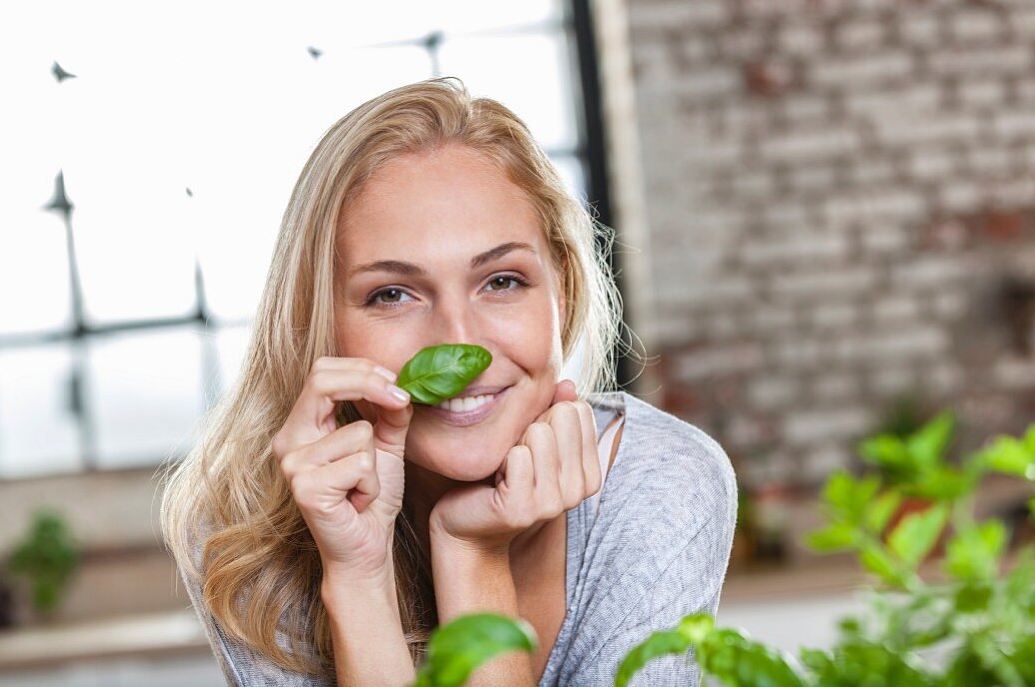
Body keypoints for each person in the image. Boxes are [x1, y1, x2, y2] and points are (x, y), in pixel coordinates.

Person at [160, 76, 737, 686]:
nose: (459, 344)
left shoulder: (658, 483)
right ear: (317, 322)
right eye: (392, 294)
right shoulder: (248, 529)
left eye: (502, 281)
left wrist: (473, 555)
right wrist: (357, 578)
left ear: (562, 291)